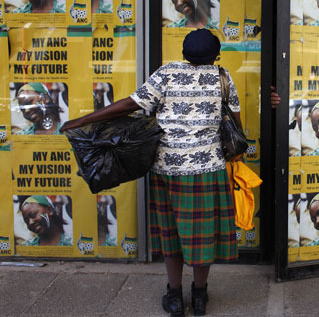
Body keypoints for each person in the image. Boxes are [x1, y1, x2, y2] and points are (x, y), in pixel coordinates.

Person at [60, 29, 239, 316]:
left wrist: (83, 119)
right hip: (208, 171)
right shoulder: (222, 76)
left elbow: (130, 104)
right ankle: (201, 295)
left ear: (184, 52)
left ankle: (175, 297)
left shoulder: (167, 73)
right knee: (202, 236)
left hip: (167, 169)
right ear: (214, 55)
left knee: (171, 235)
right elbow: (235, 123)